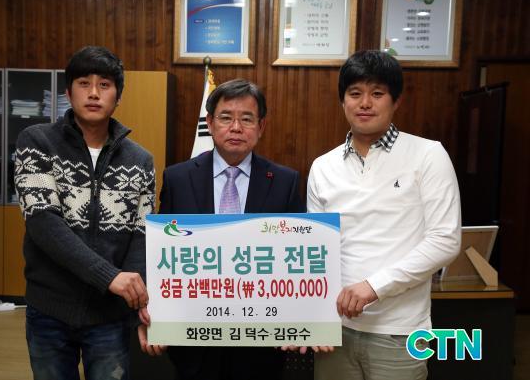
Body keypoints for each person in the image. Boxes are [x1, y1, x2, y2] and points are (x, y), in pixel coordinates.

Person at [307, 50, 461, 380]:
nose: (365, 103)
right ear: (342, 101)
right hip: (335, 330)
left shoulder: (428, 155)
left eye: (377, 93)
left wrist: (374, 286)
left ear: (396, 101)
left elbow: (445, 241)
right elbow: (316, 251)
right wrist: (313, 318)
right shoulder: (322, 166)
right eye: (355, 93)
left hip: (399, 330)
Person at [138, 78, 305, 380]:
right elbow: (162, 254)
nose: (236, 128)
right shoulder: (178, 178)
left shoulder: (285, 182)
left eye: (247, 119)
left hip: (260, 338)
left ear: (261, 126)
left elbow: (297, 259)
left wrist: (299, 320)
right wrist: (156, 316)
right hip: (193, 337)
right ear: (210, 123)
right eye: (226, 117)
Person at [14, 45, 154, 380]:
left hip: (110, 316)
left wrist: (137, 306)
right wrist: (109, 277)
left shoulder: (140, 160)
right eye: (83, 83)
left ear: (118, 96)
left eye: (104, 85)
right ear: (68, 93)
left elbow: (140, 237)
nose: (93, 93)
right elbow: (43, 223)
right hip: (49, 309)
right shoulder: (36, 142)